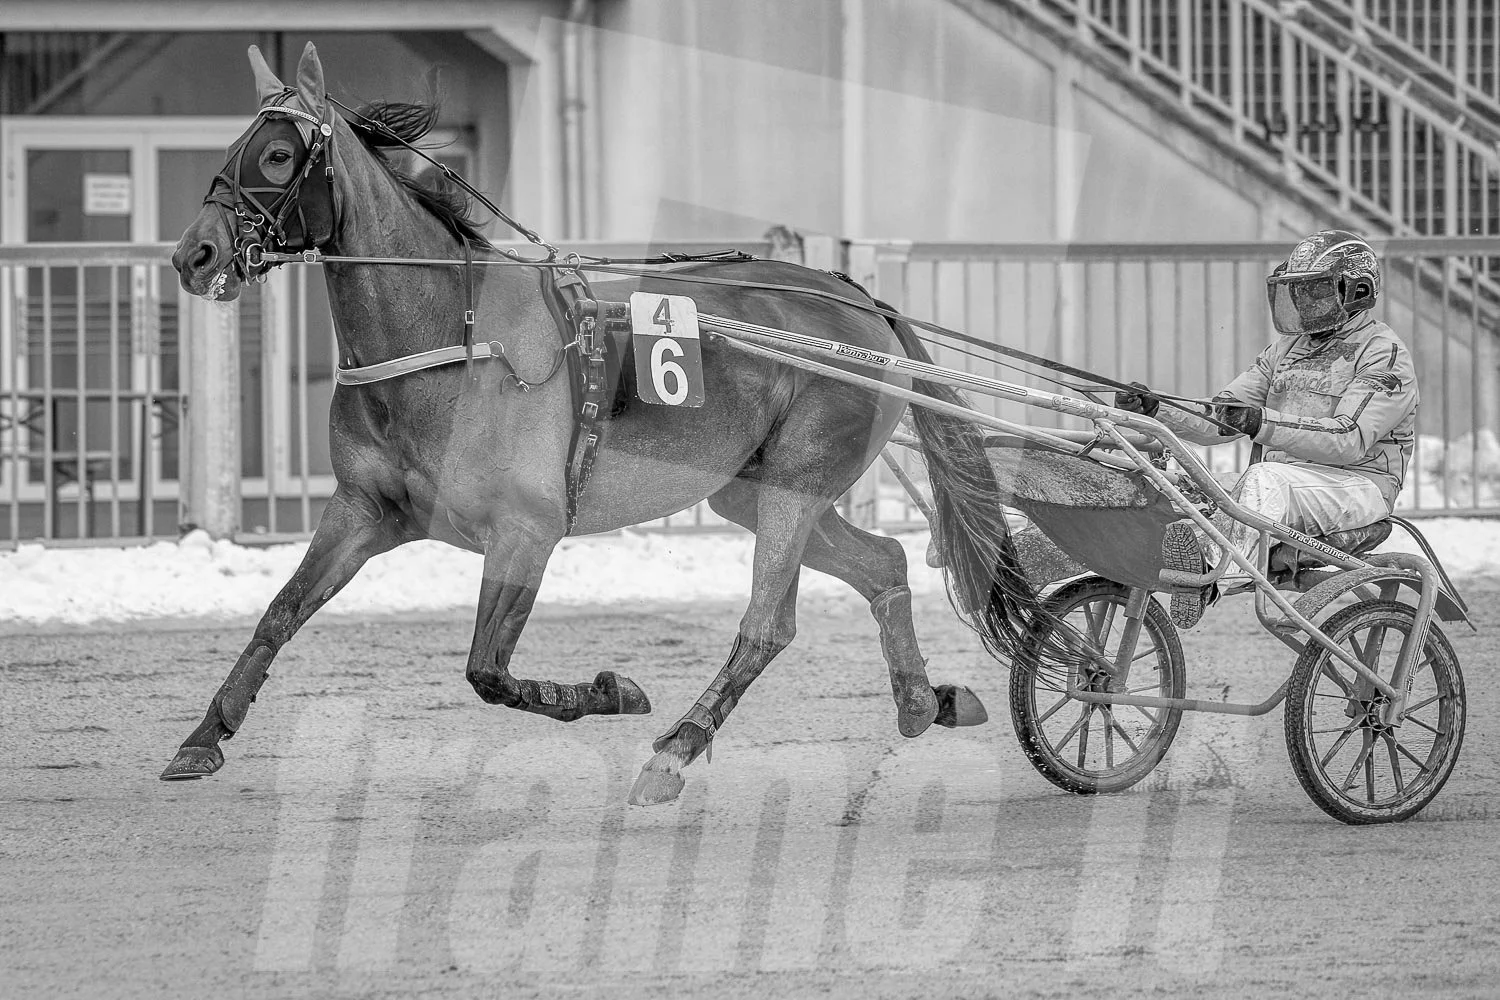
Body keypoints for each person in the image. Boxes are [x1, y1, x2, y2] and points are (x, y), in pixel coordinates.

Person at [1115, 230, 1419, 628]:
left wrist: (1262, 422)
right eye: (1300, 292)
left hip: (1358, 485)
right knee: (1188, 486)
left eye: (1317, 292)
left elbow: (1348, 440)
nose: (1305, 303)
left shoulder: (1384, 352)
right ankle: (1143, 562)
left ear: (1356, 291)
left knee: (1263, 479)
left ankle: (1207, 576)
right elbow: (1219, 419)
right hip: (1287, 484)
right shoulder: (1285, 350)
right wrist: (1157, 407)